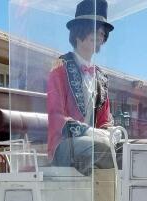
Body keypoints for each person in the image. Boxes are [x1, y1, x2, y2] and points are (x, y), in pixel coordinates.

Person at [47, 0, 116, 175]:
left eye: (103, 31)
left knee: (144, 149)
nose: (100, 34)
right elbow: (56, 117)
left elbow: (104, 120)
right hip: (63, 145)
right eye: (94, 28)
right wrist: (89, 131)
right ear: (78, 33)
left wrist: (111, 133)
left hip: (94, 142)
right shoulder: (60, 69)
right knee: (100, 149)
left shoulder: (101, 77)